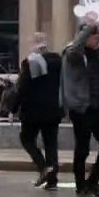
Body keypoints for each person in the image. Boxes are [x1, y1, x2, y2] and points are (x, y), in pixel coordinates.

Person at [62, 13, 99, 197]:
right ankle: (80, 189)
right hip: (81, 108)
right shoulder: (73, 53)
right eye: (94, 35)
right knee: (82, 149)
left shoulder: (97, 55)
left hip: (97, 106)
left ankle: (93, 182)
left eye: (98, 35)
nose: (97, 39)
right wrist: (88, 28)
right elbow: (76, 47)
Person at [14, 32, 64, 189]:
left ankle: (43, 167)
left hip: (33, 111)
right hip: (53, 109)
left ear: (34, 44)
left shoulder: (29, 62)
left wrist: (12, 108)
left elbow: (22, 87)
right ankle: (52, 180)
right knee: (51, 144)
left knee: (27, 139)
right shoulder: (57, 61)